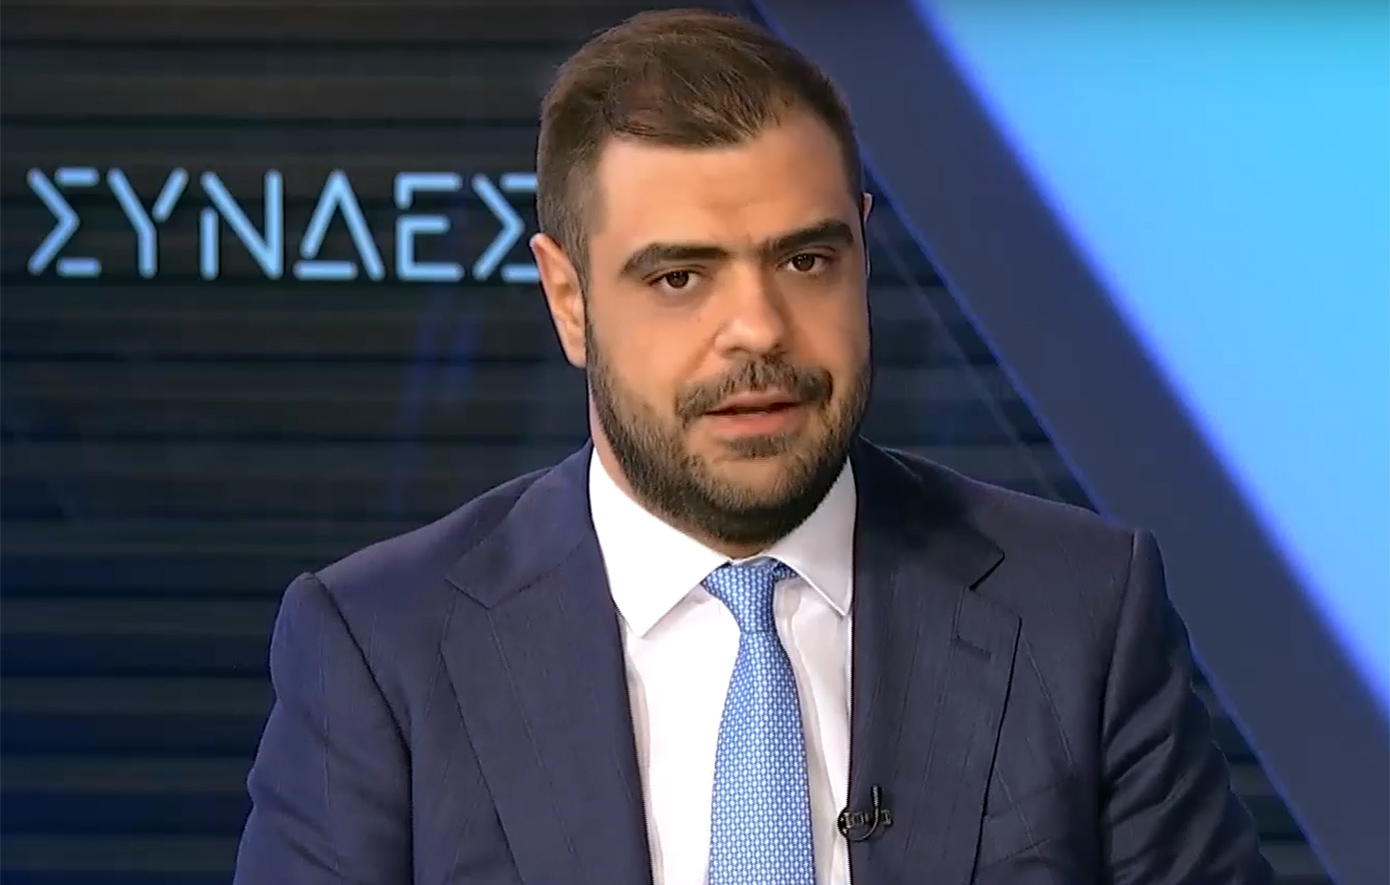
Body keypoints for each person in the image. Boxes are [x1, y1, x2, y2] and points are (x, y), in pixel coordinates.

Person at [233, 9, 1272, 885]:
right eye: (680, 278)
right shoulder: (382, 651)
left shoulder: (1080, 613)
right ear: (569, 299)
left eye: (807, 260)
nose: (760, 330)